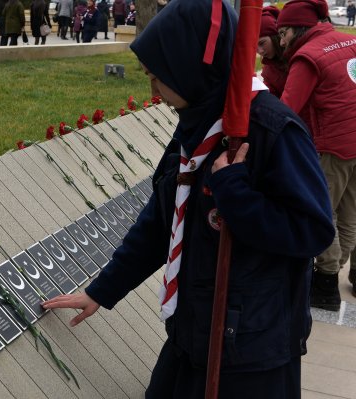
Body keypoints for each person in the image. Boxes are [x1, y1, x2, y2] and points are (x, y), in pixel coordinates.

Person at [42, 0, 335, 396]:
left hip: (250, 353)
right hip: (191, 335)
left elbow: (312, 231)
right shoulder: (196, 124)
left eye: (158, 78)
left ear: (191, 68)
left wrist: (234, 191)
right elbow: (162, 219)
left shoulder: (271, 131)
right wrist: (103, 290)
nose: (153, 92)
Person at [277, 0, 356, 312]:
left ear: (298, 28)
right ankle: (337, 266)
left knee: (321, 214)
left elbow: (285, 109)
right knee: (349, 214)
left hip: (331, 148)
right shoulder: (349, 40)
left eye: (283, 33)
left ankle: (325, 284)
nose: (281, 40)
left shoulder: (308, 57)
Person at [257, 6, 287, 98]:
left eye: (262, 43)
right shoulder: (268, 72)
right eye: (254, 47)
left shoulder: (300, 55)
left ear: (276, 36)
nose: (260, 51)